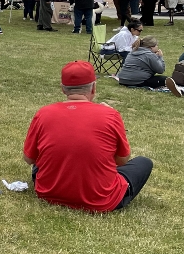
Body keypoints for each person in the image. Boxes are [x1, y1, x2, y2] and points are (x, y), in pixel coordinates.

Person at [24, 61, 152, 212]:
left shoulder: (44, 113)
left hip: (48, 193)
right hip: (101, 200)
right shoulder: (110, 115)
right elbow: (122, 160)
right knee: (144, 162)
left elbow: (29, 159)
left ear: (63, 89)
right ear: (93, 88)